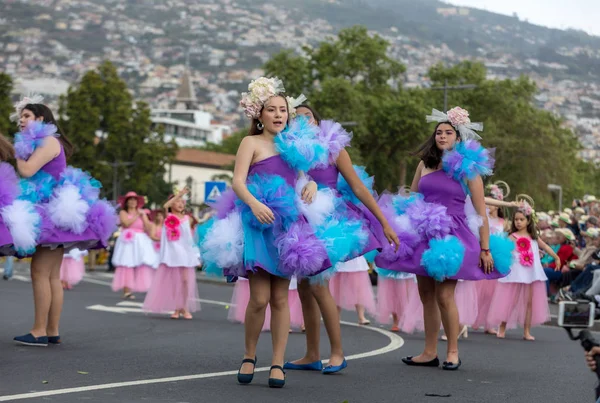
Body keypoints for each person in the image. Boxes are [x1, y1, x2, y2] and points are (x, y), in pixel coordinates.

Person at [198, 77, 335, 387]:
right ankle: (249, 355)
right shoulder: (251, 143)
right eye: (271, 110)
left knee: (281, 298)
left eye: (282, 110)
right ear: (259, 115)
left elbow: (304, 175)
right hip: (258, 223)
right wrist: (254, 204)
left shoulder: (293, 145)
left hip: (287, 227)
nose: (278, 115)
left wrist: (311, 184)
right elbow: (237, 181)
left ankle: (277, 362)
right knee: (259, 298)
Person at [375, 107, 514, 370]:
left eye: (448, 132)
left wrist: (485, 248)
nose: (442, 136)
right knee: (426, 294)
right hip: (422, 231)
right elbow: (412, 198)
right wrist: (400, 228)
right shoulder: (424, 164)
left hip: (452, 235)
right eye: (438, 132)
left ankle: (452, 351)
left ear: (458, 137)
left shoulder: (468, 170)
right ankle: (429, 351)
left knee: (444, 296)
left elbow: (481, 210)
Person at [284, 104, 398, 374]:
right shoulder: (289, 150)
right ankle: (312, 354)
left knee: (318, 286)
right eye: (296, 117)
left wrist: (383, 221)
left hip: (328, 222)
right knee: (303, 288)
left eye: (307, 115)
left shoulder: (333, 147)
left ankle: (337, 353)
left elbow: (357, 186)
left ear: (316, 119)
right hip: (299, 221)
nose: (302, 120)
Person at [10, 98, 116, 346]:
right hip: (52, 210)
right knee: (51, 276)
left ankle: (38, 332)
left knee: (40, 272)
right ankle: (51, 329)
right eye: (21, 117)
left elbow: (26, 171)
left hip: (51, 212)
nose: (21, 120)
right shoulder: (46, 142)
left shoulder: (48, 141)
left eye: (26, 116)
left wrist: (13, 151)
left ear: (40, 119)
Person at [487, 202, 561, 340]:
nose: (518, 222)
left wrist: (556, 257)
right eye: (516, 220)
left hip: (530, 272)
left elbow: (545, 246)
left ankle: (526, 331)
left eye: (522, 219)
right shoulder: (512, 236)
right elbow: (503, 250)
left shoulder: (533, 237)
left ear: (528, 221)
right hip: (516, 271)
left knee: (529, 302)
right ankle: (502, 327)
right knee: (511, 300)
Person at [143, 188, 201, 319]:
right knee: (176, 282)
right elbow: (165, 206)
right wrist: (179, 194)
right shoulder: (168, 217)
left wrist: (195, 255)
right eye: (177, 201)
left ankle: (184, 307)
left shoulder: (187, 218)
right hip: (173, 253)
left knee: (186, 281)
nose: (180, 203)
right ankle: (176, 308)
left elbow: (190, 239)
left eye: (182, 202)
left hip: (185, 253)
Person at [111, 191, 158, 299]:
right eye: (130, 200)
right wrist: (137, 215)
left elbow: (148, 227)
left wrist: (145, 217)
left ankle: (142, 287)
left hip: (140, 240)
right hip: (128, 240)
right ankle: (127, 290)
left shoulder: (142, 213)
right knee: (127, 263)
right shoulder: (123, 212)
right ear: (126, 202)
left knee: (141, 264)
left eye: (134, 200)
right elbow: (126, 223)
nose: (132, 202)